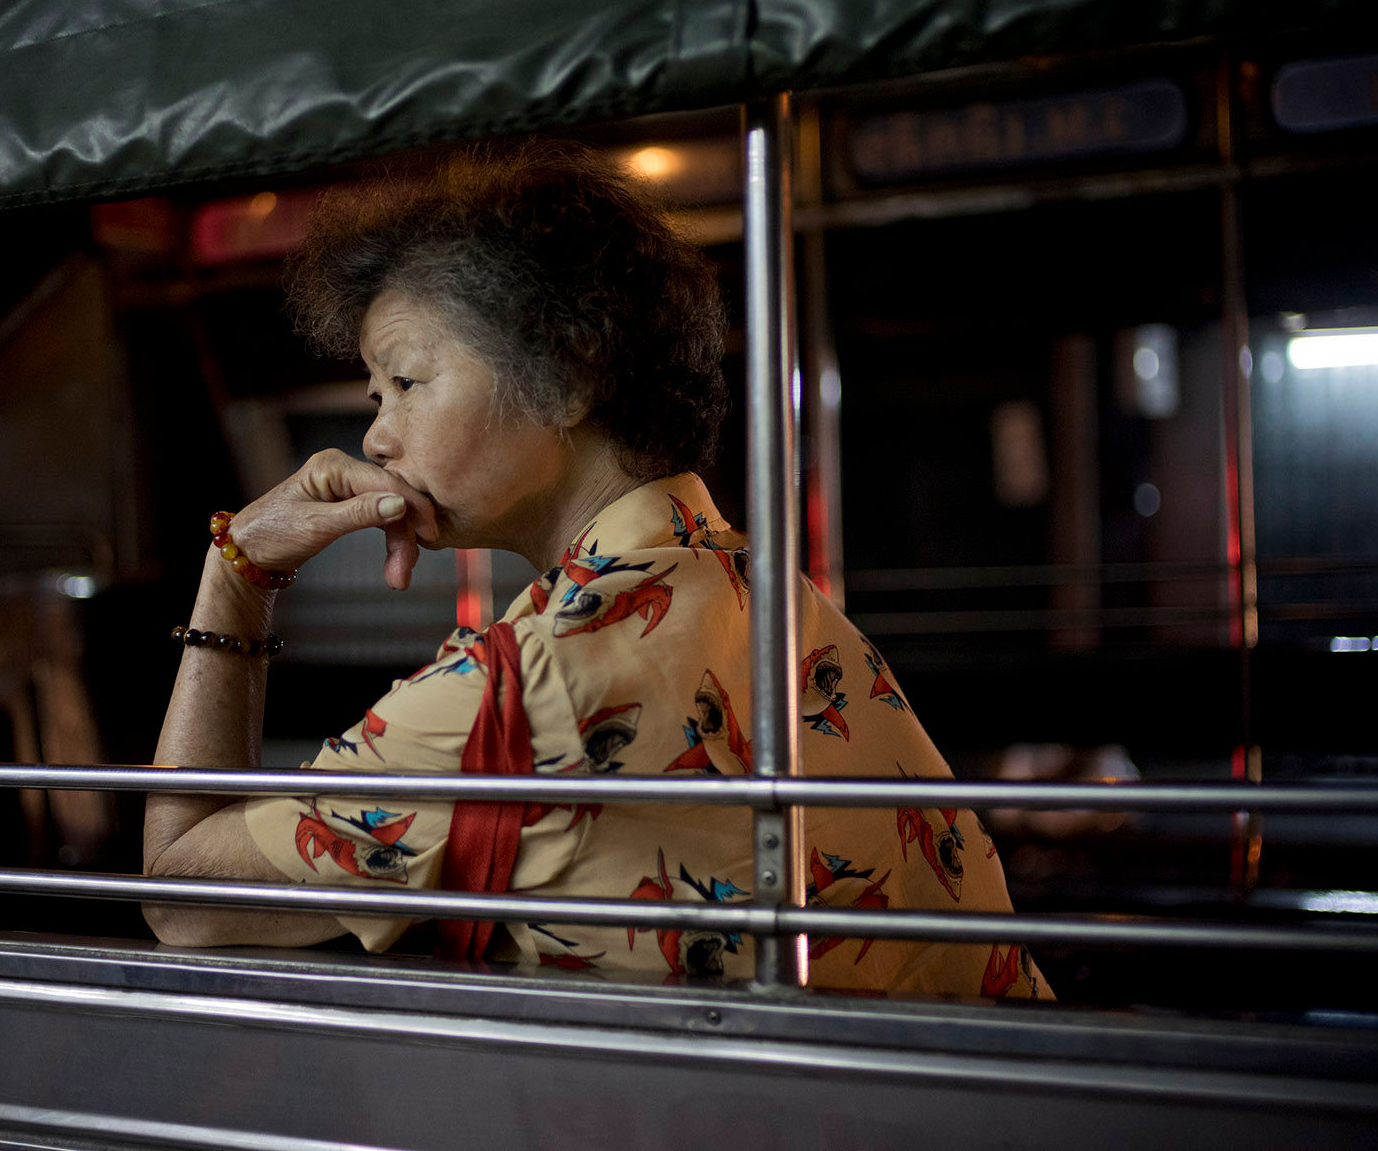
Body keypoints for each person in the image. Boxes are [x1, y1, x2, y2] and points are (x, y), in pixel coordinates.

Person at [141, 142, 1050, 998]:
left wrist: (239, 567)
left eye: (408, 383)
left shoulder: (517, 693)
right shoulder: (764, 592)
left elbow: (178, 897)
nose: (377, 436)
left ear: (570, 376)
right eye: (375, 398)